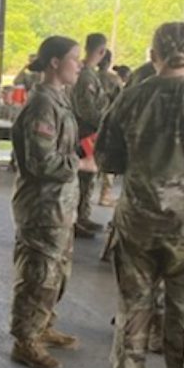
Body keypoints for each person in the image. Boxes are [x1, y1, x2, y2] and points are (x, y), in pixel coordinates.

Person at [88, 22, 184, 368]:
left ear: (154, 53)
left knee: (134, 308)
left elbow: (108, 158)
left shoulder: (131, 97)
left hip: (138, 221)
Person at [9, 37, 86, 368]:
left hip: (60, 204)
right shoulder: (43, 104)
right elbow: (40, 162)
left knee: (56, 271)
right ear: (55, 62)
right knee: (39, 272)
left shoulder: (59, 100)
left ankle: (42, 325)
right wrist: (79, 164)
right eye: (74, 59)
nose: (79, 66)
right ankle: (25, 339)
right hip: (43, 205)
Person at [70, 32, 109, 238]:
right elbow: (86, 109)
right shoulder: (85, 76)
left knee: (88, 178)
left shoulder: (88, 73)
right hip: (84, 133)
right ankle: (76, 219)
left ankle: (83, 215)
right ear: (102, 51)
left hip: (89, 133)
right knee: (82, 178)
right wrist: (105, 123)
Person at [96, 49, 123, 208]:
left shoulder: (90, 77)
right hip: (107, 123)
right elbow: (120, 101)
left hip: (87, 126)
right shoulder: (114, 79)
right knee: (106, 161)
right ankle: (105, 195)